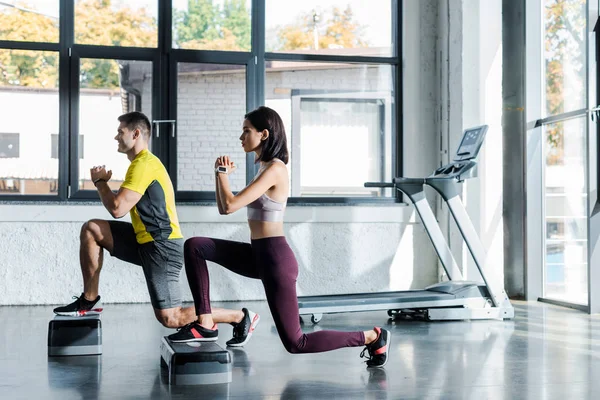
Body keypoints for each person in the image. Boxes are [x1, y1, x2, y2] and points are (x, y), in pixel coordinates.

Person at [168, 106, 391, 367]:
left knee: (296, 343)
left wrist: (222, 174)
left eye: (246, 131)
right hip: (258, 255)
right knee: (196, 246)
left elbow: (230, 206)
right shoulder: (263, 168)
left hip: (275, 259)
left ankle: (372, 337)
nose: (241, 137)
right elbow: (223, 207)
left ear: (264, 134)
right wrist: (220, 176)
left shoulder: (275, 169)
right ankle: (206, 321)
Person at [53, 111, 196, 328]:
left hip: (162, 247)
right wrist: (102, 184)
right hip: (143, 241)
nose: (116, 137)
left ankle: (239, 317)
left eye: (120, 132)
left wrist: (101, 183)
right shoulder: (138, 164)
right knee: (92, 229)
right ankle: (89, 299)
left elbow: (118, 209)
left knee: (171, 318)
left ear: (136, 133)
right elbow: (118, 206)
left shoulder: (144, 165)